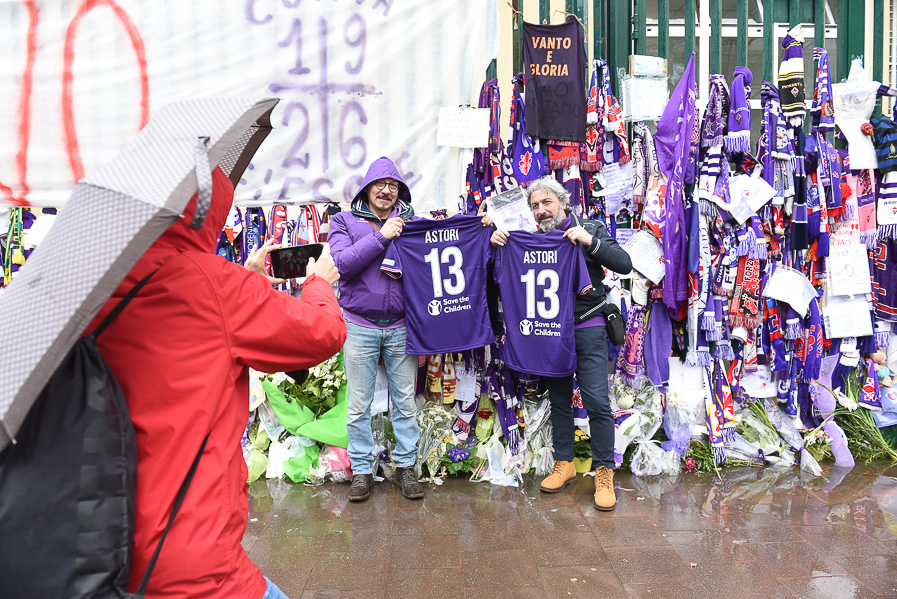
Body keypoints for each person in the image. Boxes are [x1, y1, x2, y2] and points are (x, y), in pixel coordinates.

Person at [88, 166, 347, 599]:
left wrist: (242, 280)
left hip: (103, 535)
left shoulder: (97, 281)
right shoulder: (215, 286)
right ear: (205, 214)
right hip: (189, 547)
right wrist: (319, 284)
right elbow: (322, 334)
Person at [487, 176, 632, 511]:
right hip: (550, 331)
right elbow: (500, 275)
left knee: (596, 400)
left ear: (564, 202)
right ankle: (564, 463)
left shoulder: (590, 227)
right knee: (560, 400)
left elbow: (624, 263)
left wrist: (588, 242)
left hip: (588, 326)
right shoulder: (527, 238)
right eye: (535, 206)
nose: (540, 211)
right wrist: (497, 244)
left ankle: (603, 471)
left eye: (546, 203)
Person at [327, 156, 424, 502]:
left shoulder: (411, 223)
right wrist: (382, 236)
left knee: (405, 403)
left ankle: (406, 467)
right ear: (367, 188)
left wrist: (485, 225)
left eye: (393, 185)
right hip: (359, 326)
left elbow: (445, 242)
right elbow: (342, 264)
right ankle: (363, 471)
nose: (386, 191)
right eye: (380, 184)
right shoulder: (344, 221)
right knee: (358, 406)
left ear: (400, 191)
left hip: (401, 326)